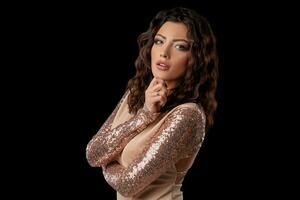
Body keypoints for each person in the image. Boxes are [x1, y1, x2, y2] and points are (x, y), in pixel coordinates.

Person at [86, 7, 218, 200]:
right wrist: (145, 114)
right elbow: (92, 153)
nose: (164, 53)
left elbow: (128, 185)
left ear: (196, 57)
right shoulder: (135, 93)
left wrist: (106, 162)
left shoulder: (188, 115)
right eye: (159, 41)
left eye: (180, 46)